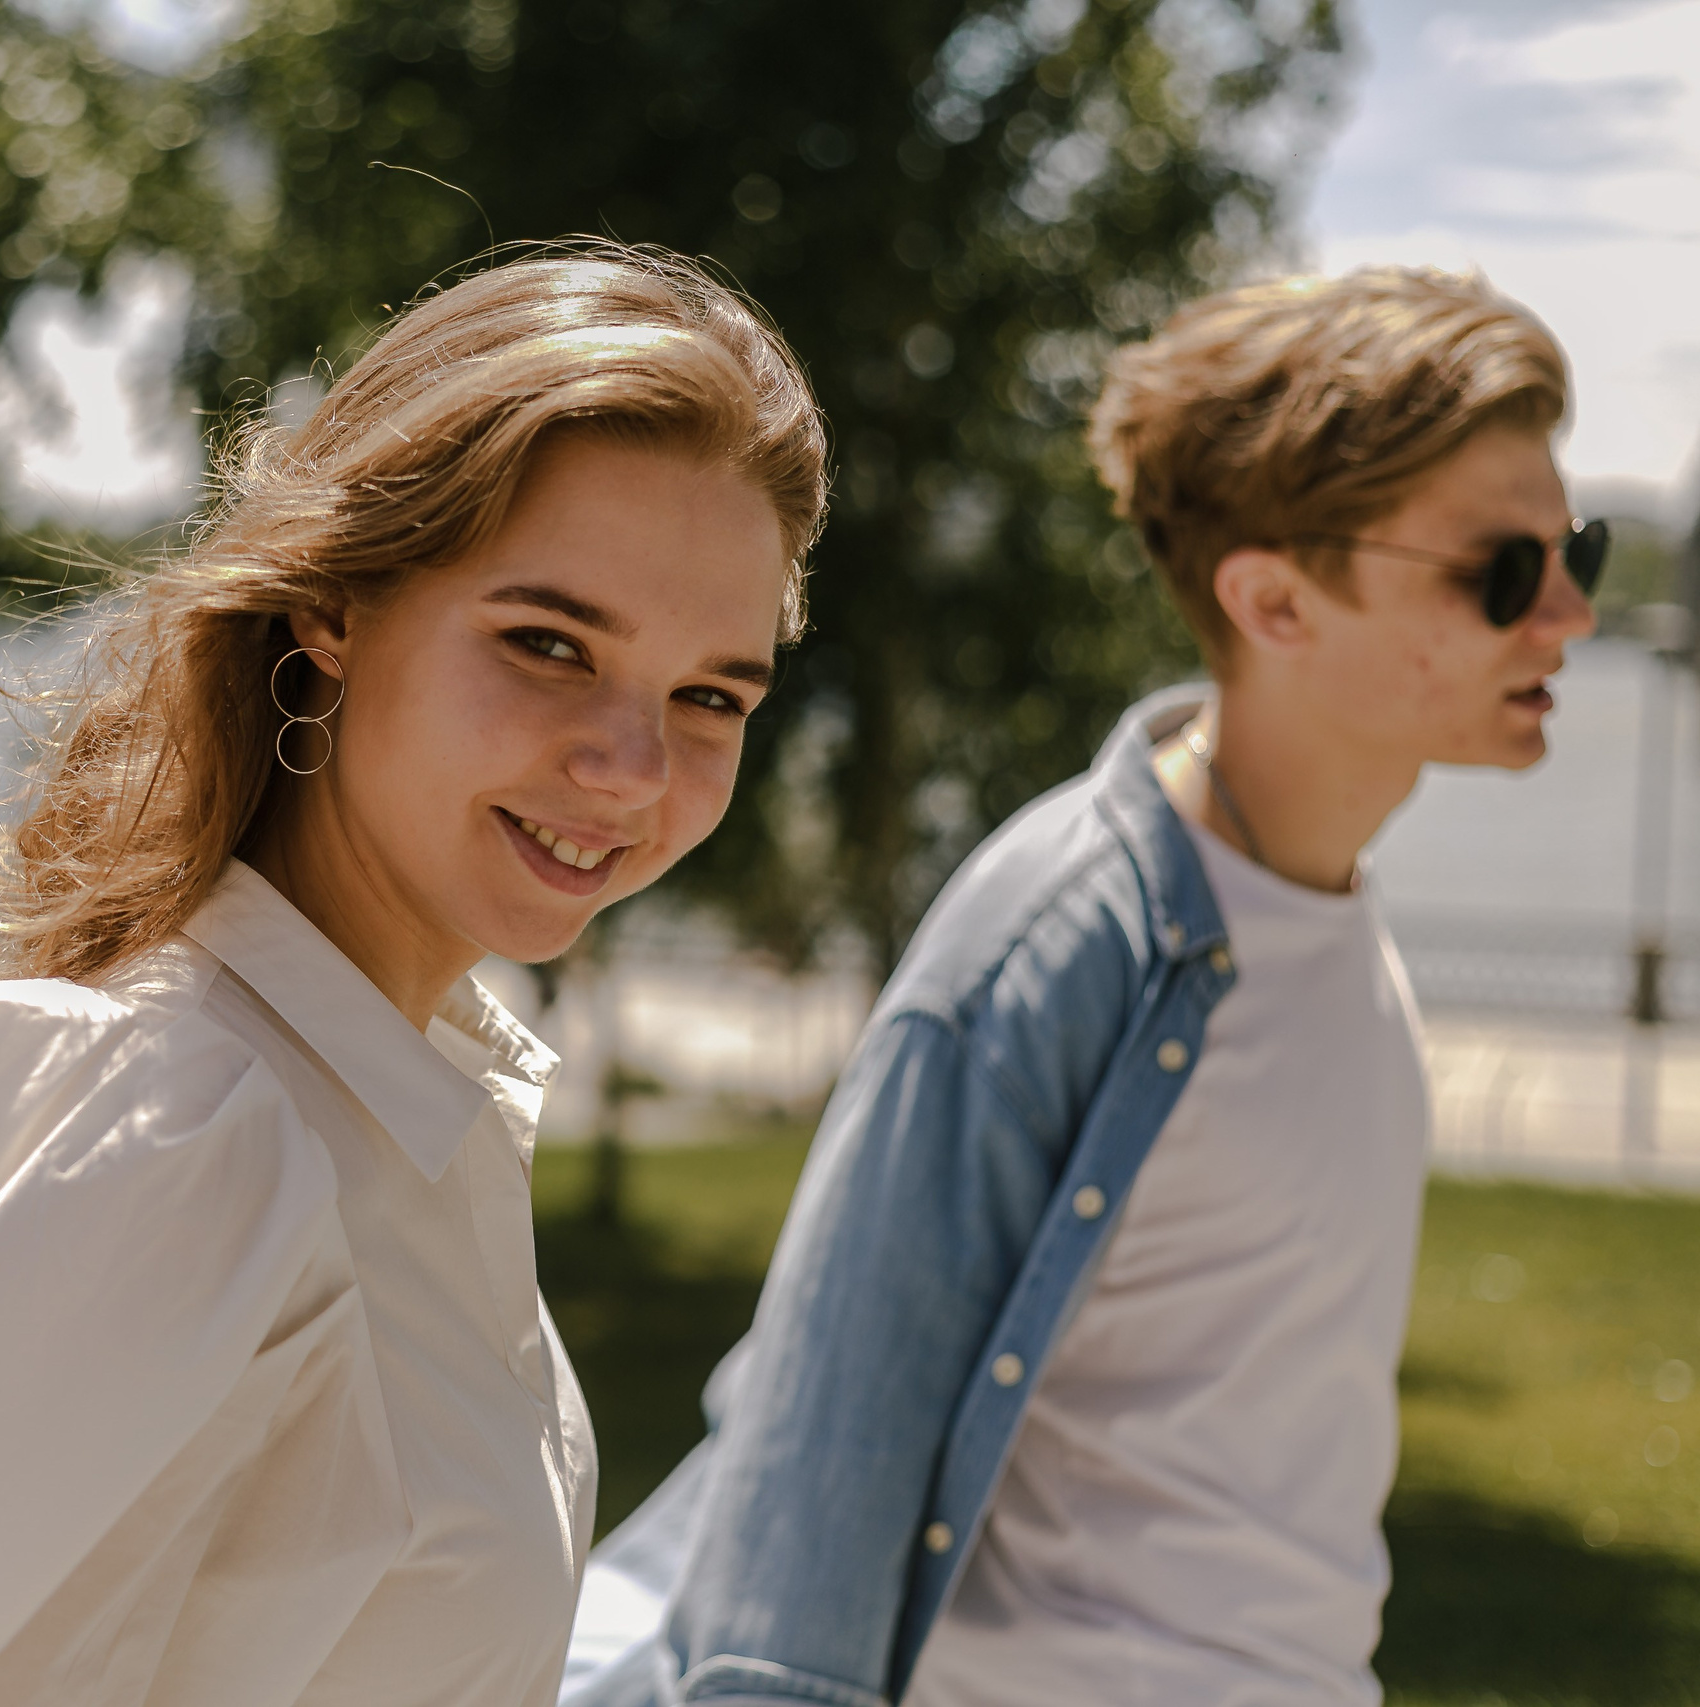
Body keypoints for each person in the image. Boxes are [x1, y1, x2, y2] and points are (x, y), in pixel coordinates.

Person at [0, 245, 828, 1707]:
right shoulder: (156, 1126)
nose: (632, 767)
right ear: (336, 610)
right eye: (549, 643)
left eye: (709, 696)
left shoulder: (411, 1121)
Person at [562, 266, 1603, 1707]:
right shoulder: (1065, 935)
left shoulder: (1337, 923)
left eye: (1580, 553)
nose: (1567, 615)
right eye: (1503, 571)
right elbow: (827, 1428)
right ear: (1276, 600)